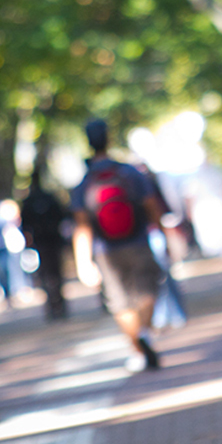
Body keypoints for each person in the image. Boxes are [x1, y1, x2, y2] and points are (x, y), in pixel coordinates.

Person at [69, 119, 169, 372]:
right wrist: (160, 233)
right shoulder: (129, 172)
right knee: (147, 289)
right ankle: (145, 332)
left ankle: (136, 348)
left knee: (120, 302)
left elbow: (82, 225)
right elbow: (150, 205)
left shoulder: (85, 182)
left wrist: (83, 262)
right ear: (109, 138)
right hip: (138, 241)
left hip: (106, 250)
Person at [20, 169, 68, 321]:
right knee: (54, 273)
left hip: (42, 241)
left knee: (47, 274)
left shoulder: (30, 201)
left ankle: (54, 305)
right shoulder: (47, 198)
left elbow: (24, 225)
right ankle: (57, 304)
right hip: (50, 241)